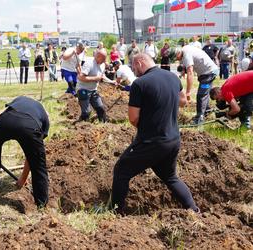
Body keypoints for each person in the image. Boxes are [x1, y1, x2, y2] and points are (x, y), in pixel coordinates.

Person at [111, 53, 198, 214]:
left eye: (133, 66)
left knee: (121, 170)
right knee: (170, 177)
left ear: (140, 62)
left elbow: (133, 118)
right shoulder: (172, 77)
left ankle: (116, 212)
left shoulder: (140, 84)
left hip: (152, 141)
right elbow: (183, 101)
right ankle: (193, 210)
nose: (133, 70)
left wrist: (147, 126)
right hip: (173, 139)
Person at [0, 96, 50, 208]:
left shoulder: (17, 101)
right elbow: (31, 157)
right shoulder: (44, 119)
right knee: (38, 165)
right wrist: (23, 179)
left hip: (6, 123)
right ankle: (41, 204)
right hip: (30, 127)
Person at [176, 45, 218, 124]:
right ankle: (207, 111)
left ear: (178, 53)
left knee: (201, 95)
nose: (176, 59)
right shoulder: (185, 49)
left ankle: (199, 118)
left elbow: (190, 73)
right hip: (207, 72)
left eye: (176, 57)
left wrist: (188, 92)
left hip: (209, 73)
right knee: (205, 93)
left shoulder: (186, 55)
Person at [77, 49, 107, 122]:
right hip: (83, 89)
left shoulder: (102, 65)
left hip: (93, 90)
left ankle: (104, 125)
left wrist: (112, 81)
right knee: (87, 112)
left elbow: (102, 76)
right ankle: (82, 125)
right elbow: (81, 77)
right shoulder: (89, 63)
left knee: (101, 109)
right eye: (103, 59)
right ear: (98, 56)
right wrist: (96, 78)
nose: (104, 61)